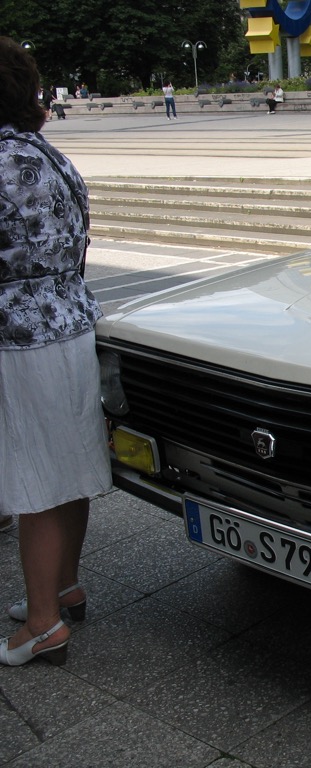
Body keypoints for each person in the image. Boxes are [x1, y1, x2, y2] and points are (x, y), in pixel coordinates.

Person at [0, 36, 111, 667]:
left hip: (18, 338)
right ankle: (63, 588)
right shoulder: (46, 154)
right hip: (70, 326)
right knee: (66, 471)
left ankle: (42, 625)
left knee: (33, 482)